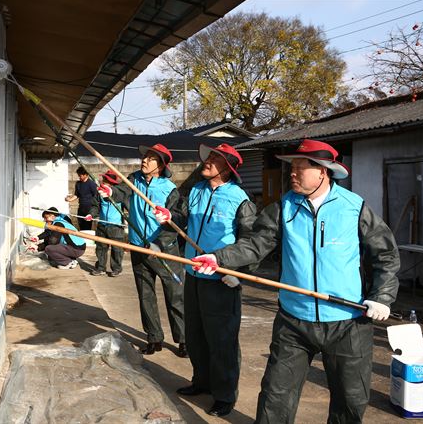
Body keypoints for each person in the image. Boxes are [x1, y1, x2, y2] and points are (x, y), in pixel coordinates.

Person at [191, 139, 400, 423]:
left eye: (300, 167)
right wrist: (219, 258)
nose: (292, 172)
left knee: (350, 401)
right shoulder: (282, 208)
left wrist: (382, 296)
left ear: (323, 172)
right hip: (293, 321)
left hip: (347, 322)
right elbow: (255, 244)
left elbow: (385, 254)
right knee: (275, 398)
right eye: (292, 166)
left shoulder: (354, 208)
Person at [158, 144, 257, 417]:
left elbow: (251, 241)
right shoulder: (197, 191)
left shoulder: (240, 199)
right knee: (196, 334)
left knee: (222, 340)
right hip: (194, 273)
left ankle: (225, 395)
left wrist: (237, 273)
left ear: (228, 168)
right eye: (210, 157)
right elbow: (184, 219)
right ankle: (201, 381)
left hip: (221, 278)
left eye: (216, 159)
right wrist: (169, 218)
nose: (208, 161)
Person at [98, 143, 186, 357]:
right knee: (145, 295)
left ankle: (184, 340)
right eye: (145, 157)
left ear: (161, 165)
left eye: (151, 158)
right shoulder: (133, 180)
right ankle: (154, 338)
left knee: (175, 296)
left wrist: (170, 217)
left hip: (164, 249)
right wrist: (110, 191)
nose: (144, 160)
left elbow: (180, 218)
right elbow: (120, 192)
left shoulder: (169, 189)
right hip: (138, 247)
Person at [86, 170, 126, 277]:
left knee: (117, 249)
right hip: (102, 225)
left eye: (104, 180)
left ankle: (116, 268)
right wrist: (91, 214)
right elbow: (95, 206)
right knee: (100, 247)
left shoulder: (120, 193)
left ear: (110, 182)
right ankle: (101, 268)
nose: (102, 182)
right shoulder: (99, 193)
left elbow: (129, 206)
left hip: (116, 226)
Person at [65, 166, 97, 231]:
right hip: (81, 207)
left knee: (87, 226)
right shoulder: (78, 184)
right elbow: (77, 195)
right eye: (79, 175)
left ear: (86, 175)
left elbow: (96, 196)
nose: (79, 177)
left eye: (81, 175)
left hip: (89, 209)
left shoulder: (92, 184)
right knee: (81, 225)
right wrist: (69, 200)